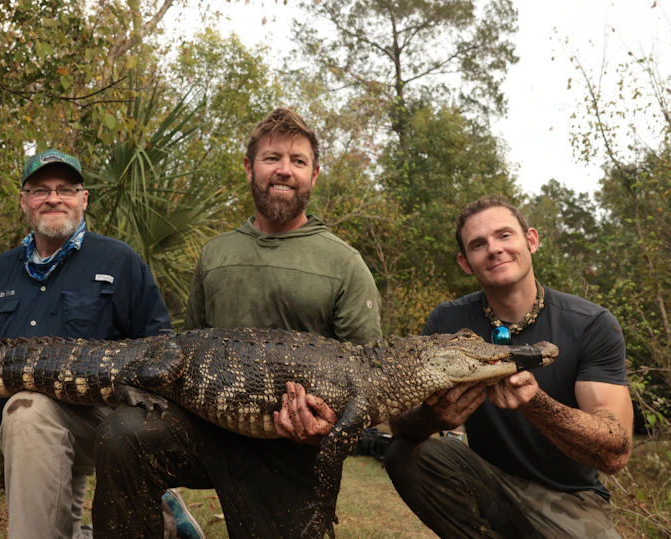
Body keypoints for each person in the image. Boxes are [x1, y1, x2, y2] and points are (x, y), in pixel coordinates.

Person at [92, 107, 382, 538]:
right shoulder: (216, 253)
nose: (284, 170)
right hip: (206, 431)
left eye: (298, 161)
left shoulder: (346, 263)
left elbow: (369, 382)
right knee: (121, 434)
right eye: (271, 158)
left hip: (289, 449)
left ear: (314, 174)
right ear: (250, 167)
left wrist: (324, 427)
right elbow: (187, 349)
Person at [0, 149, 172, 539]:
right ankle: (159, 519)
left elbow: (162, 350)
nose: (53, 198)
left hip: (106, 420)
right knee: (29, 419)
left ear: (83, 199)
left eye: (65, 189)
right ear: (24, 200)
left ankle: (158, 506)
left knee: (30, 410)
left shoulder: (119, 261)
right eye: (40, 189)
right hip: (27, 439)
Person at [385, 194, 633, 539]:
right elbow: (399, 420)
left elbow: (615, 452)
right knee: (406, 454)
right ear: (465, 263)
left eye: (504, 235)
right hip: (486, 480)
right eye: (478, 244)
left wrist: (538, 406)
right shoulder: (447, 322)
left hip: (569, 497)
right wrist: (431, 417)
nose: (494, 249)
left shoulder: (591, 324)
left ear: (531, 240)